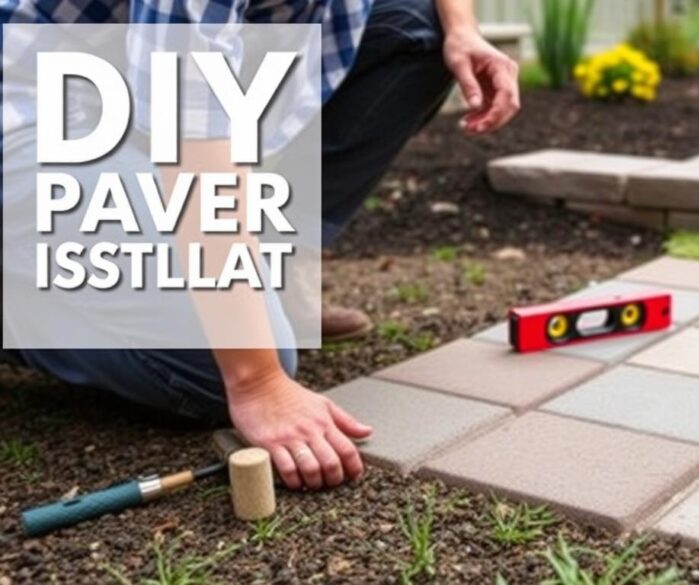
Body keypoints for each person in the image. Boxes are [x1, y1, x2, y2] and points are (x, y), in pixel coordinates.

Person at [0, 0, 520, 491]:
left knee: (417, 24)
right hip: (44, 108)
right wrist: (258, 382)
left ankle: (268, 273)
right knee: (212, 368)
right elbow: (189, 137)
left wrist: (462, 29)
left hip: (142, 97)